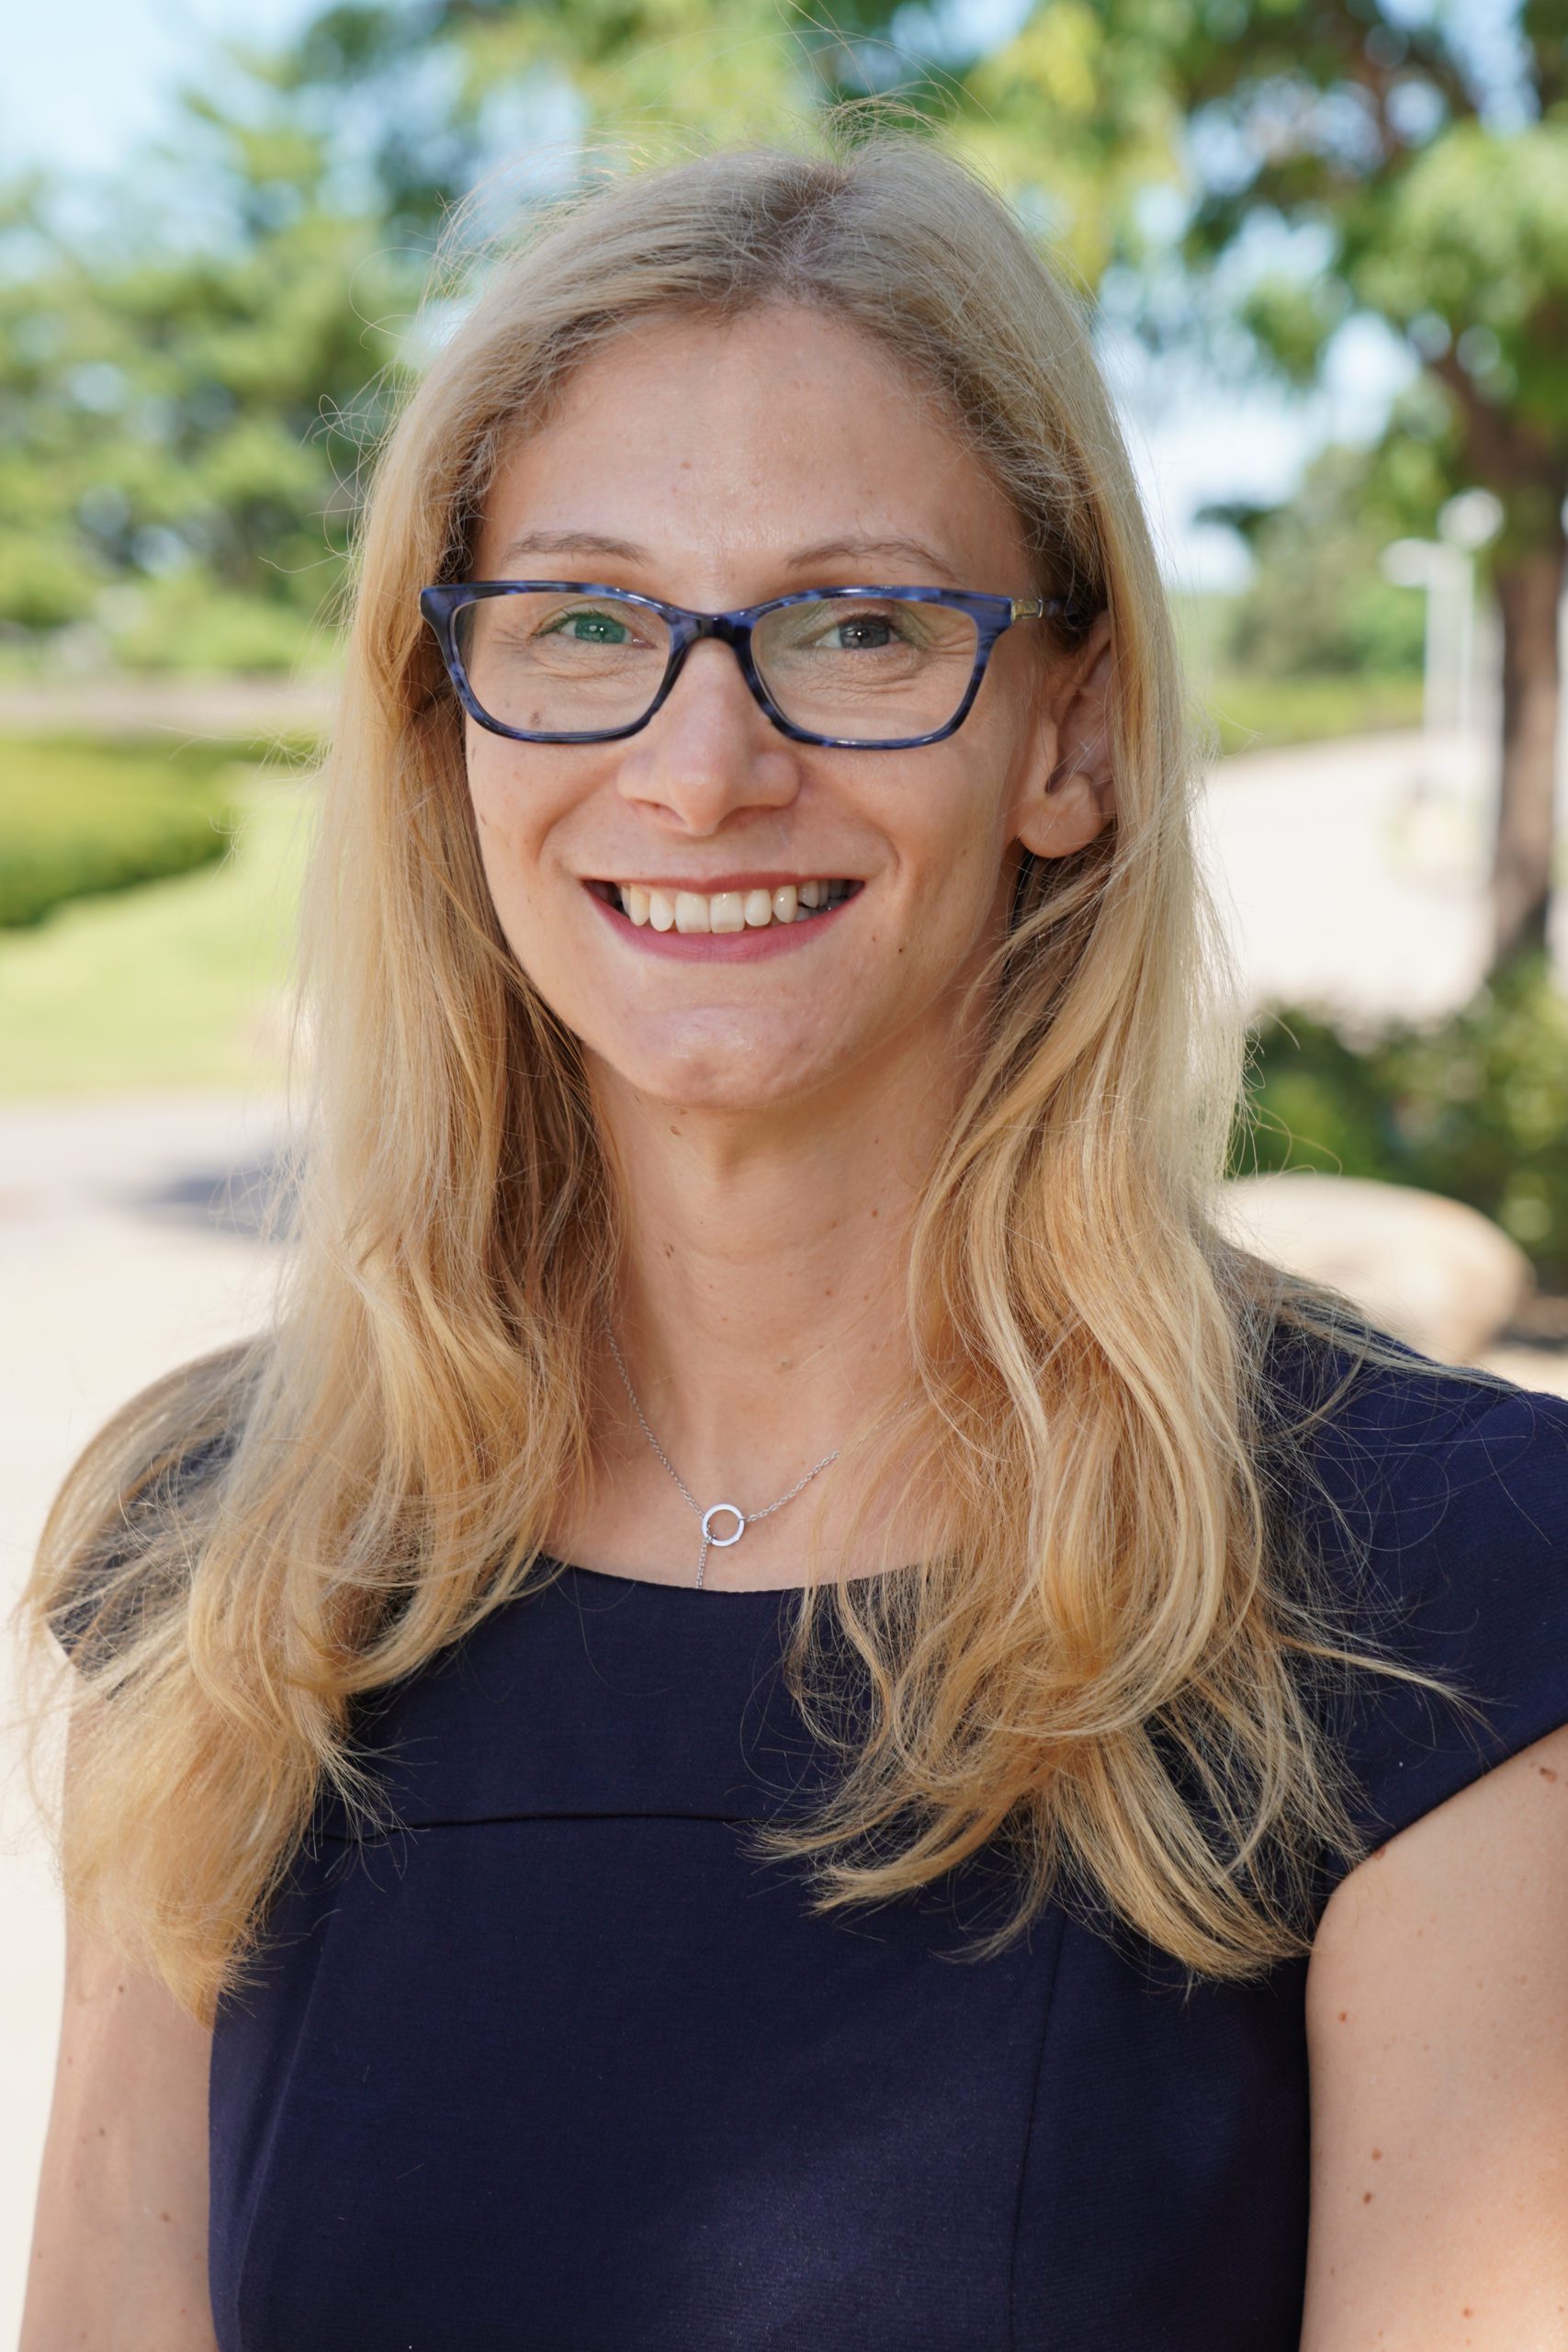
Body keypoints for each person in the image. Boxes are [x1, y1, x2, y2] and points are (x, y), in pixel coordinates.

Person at [17, 134, 1568, 2352]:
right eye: (582, 623)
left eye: (854, 624)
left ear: (1075, 728)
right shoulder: (227, 1559)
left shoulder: (1451, 1607)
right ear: (444, 722)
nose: (702, 761)